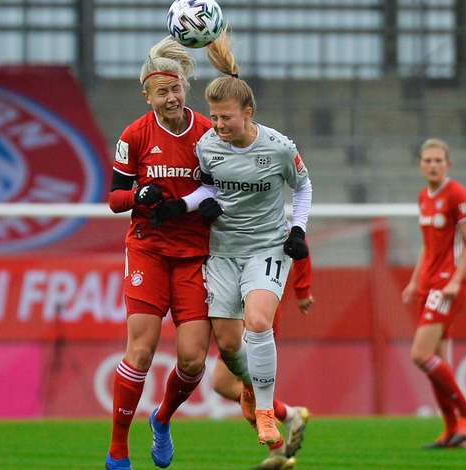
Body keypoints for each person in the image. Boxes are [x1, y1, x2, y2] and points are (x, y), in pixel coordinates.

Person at [155, 30, 313, 449]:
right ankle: (254, 389)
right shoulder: (208, 146)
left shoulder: (278, 147)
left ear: (249, 112)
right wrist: (188, 206)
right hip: (222, 252)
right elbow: (208, 189)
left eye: (226, 117)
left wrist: (298, 229)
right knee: (227, 345)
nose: (218, 124)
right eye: (214, 115)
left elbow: (304, 186)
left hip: (267, 247)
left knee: (259, 322)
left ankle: (265, 412)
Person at [104, 36, 214, 470]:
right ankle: (117, 449)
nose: (171, 97)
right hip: (148, 250)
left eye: (176, 88)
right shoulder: (134, 134)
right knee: (142, 349)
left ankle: (163, 418)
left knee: (191, 360)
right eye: (162, 91)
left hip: (193, 254)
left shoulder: (207, 133)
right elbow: (113, 198)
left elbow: (223, 187)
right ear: (147, 95)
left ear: (186, 86)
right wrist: (137, 195)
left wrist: (210, 202)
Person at [400, 138, 466, 449]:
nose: (433, 165)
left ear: (448, 165)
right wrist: (413, 280)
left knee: (420, 354)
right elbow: (428, 245)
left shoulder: (457, 194)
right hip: (429, 283)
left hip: (447, 283)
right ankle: (451, 431)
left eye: (438, 160)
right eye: (428, 160)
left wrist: (456, 280)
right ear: (420, 165)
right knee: (436, 361)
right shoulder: (424, 197)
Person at [210, 249, 313, 469]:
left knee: (245, 386)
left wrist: (303, 288)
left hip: (257, 300)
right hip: (235, 297)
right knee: (222, 383)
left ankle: (278, 448)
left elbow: (297, 235)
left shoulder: (264, 218)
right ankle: (289, 416)